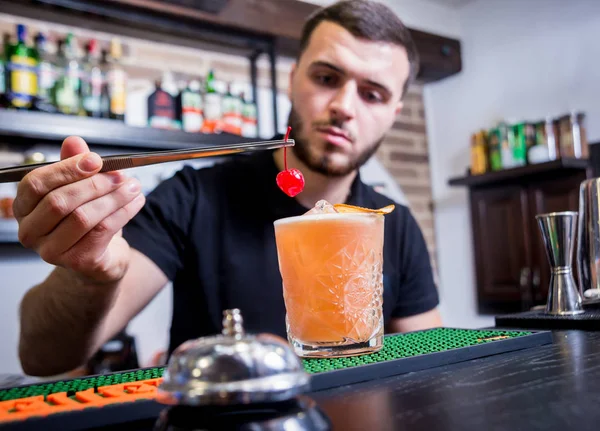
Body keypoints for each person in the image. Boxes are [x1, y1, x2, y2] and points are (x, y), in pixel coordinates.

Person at [15, 0, 442, 377]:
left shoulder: (393, 225)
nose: (344, 108)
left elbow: (432, 366)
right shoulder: (193, 197)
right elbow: (41, 357)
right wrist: (90, 277)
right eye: (327, 78)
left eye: (372, 94)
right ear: (293, 80)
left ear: (394, 113)